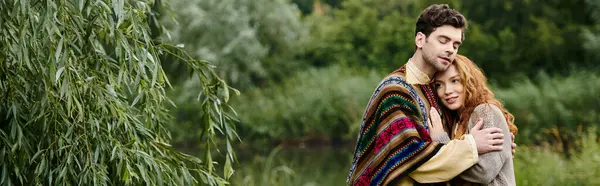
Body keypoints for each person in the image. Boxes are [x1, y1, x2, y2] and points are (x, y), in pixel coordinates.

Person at [347, 4, 507, 186]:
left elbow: (455, 138)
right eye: (443, 40)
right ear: (420, 40)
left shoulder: (437, 90)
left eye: (456, 44)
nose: (451, 50)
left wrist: (498, 151)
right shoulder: (395, 90)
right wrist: (471, 146)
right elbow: (411, 160)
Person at [429, 54, 518, 186]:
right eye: (439, 85)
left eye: (455, 81)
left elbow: (483, 173)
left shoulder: (484, 111)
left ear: (469, 81)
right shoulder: (456, 121)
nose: (447, 91)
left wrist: (441, 143)